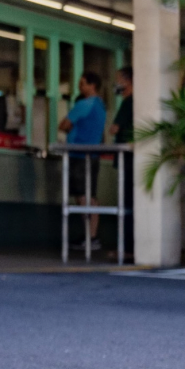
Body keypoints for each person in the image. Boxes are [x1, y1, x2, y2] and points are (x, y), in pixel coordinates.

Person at [59, 71, 108, 249]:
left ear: (92, 85)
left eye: (82, 84)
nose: (80, 88)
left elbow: (63, 124)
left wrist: (70, 127)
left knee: (84, 197)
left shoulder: (85, 104)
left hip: (80, 155)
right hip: (92, 155)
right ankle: (90, 235)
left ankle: (91, 236)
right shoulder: (100, 105)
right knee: (88, 195)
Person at [110, 66, 134, 255]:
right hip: (132, 158)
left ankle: (126, 248)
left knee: (126, 202)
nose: (117, 84)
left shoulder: (128, 102)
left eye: (119, 80)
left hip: (127, 158)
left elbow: (114, 128)